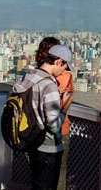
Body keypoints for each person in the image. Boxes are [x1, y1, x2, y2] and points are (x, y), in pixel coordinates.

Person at [14, 43, 74, 190]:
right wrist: (64, 107)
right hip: (48, 147)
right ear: (58, 62)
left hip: (31, 140)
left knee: (37, 184)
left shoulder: (29, 77)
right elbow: (54, 126)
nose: (63, 72)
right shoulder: (50, 86)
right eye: (64, 67)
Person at [35, 38, 75, 190]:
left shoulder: (35, 75)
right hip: (58, 129)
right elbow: (69, 99)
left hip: (37, 131)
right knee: (58, 175)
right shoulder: (64, 77)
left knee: (40, 176)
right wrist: (63, 108)